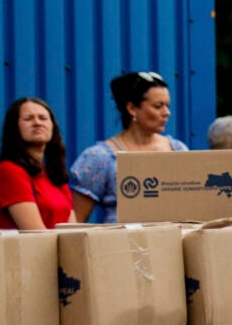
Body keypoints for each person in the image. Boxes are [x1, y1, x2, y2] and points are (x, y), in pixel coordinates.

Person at [67, 70, 188, 221]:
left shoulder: (178, 150)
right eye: (158, 106)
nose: (167, 112)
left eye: (167, 106)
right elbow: (77, 219)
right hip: (123, 236)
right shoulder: (100, 157)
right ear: (132, 108)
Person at [0, 97, 73, 230]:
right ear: (14, 127)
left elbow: (74, 230)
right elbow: (35, 233)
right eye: (28, 119)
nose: (37, 123)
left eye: (43, 118)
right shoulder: (9, 171)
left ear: (53, 126)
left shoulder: (55, 175)